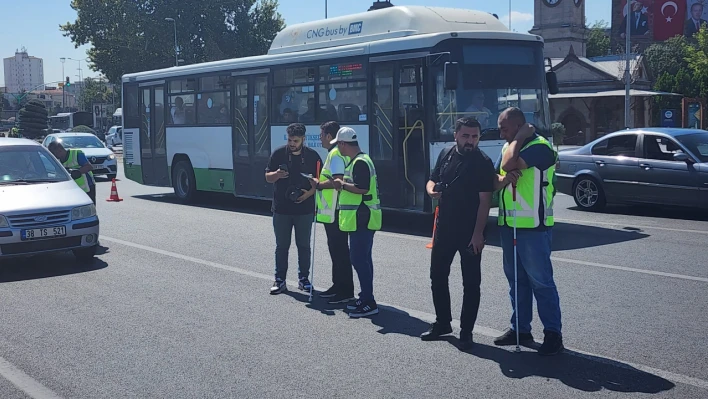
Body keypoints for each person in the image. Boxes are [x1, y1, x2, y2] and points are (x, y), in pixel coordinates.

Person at [419, 117, 501, 350]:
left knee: (471, 284)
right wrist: (431, 191)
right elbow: (432, 180)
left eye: (475, 136)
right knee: (437, 276)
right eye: (466, 136)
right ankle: (442, 323)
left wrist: (478, 234)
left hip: (469, 231)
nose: (470, 141)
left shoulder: (483, 162)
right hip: (444, 227)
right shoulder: (446, 153)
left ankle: (466, 331)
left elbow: (485, 202)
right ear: (456, 135)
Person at [494, 107, 563, 356]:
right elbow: (496, 177)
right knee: (516, 282)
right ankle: (520, 329)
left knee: (541, 283)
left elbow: (509, 164)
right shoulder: (508, 146)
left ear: (519, 126)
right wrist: (502, 179)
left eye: (504, 127)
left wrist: (520, 137)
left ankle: (553, 334)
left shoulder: (540, 146)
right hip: (510, 225)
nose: (500, 132)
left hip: (534, 226)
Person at [328, 127, 381, 318]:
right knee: (363, 259)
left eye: (338, 145)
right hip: (363, 217)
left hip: (362, 217)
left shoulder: (359, 162)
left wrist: (341, 184)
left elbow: (363, 188)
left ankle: (369, 301)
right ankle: (365, 297)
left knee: (359, 259)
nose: (338, 149)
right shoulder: (359, 160)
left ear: (343, 143)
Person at [265, 123, 322, 295]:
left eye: (296, 141)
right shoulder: (278, 153)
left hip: (304, 209)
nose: (292, 143)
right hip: (281, 209)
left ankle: (303, 279)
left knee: (304, 246)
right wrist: (276, 175)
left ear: (303, 139)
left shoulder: (313, 156)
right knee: (282, 246)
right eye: (290, 140)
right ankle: (280, 279)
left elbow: (320, 182)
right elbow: (267, 177)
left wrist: (308, 194)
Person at [313, 121, 355, 304]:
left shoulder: (335, 154)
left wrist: (318, 185)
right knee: (338, 251)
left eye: (322, 135)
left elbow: (338, 181)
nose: (320, 138)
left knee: (338, 251)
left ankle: (343, 290)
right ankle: (339, 286)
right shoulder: (338, 153)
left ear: (329, 136)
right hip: (336, 210)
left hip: (335, 211)